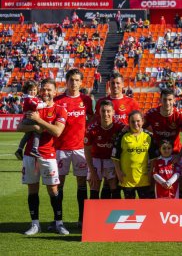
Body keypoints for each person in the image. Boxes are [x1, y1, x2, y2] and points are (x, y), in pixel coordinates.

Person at [17, 78, 68, 235]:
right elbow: (20, 127)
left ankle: (59, 223)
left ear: (54, 92)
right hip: (29, 154)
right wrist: (34, 126)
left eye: (49, 90)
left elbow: (57, 131)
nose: (46, 92)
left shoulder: (60, 110)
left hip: (48, 154)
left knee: (53, 190)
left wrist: (38, 121)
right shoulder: (34, 106)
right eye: (43, 89)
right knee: (33, 190)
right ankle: (35, 224)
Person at [53, 68, 93, 229]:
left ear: (81, 82)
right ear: (67, 81)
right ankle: (58, 220)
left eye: (77, 80)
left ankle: (82, 219)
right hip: (61, 148)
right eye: (71, 80)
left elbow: (92, 119)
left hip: (80, 149)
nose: (74, 83)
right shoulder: (58, 100)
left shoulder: (86, 100)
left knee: (81, 183)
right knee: (58, 184)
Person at [95, 73, 140, 198]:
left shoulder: (131, 102)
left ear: (123, 84)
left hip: (126, 150)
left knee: (124, 181)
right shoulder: (101, 102)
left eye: (118, 83)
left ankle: (123, 213)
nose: (115, 86)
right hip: (106, 148)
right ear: (109, 84)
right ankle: (106, 214)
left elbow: (139, 123)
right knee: (108, 182)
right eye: (112, 83)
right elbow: (96, 122)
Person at [143, 88, 182, 198]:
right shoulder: (151, 113)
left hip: (175, 153)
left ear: (174, 100)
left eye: (170, 99)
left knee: (181, 181)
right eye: (164, 99)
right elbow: (139, 128)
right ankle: (152, 208)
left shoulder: (181, 116)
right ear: (160, 100)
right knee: (152, 180)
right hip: (156, 153)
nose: (167, 103)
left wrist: (179, 156)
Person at [84, 100, 125, 199]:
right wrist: (92, 171)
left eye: (108, 111)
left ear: (113, 112)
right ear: (99, 112)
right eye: (103, 111)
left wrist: (119, 168)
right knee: (94, 186)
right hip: (96, 159)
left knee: (114, 187)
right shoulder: (92, 129)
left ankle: (116, 213)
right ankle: (94, 214)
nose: (106, 114)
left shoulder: (120, 127)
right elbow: (87, 151)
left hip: (112, 160)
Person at [112, 110, 157, 199]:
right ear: (128, 122)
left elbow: (153, 158)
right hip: (127, 179)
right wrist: (118, 172)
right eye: (132, 121)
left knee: (145, 208)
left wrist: (150, 173)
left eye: (138, 121)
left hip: (144, 179)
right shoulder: (122, 136)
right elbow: (115, 157)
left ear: (142, 121)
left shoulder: (149, 136)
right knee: (129, 209)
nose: (135, 124)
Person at [15, 80, 48, 160]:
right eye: (31, 90)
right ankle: (34, 149)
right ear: (27, 90)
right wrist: (45, 104)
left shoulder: (32, 98)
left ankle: (19, 149)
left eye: (34, 90)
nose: (33, 91)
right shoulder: (29, 99)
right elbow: (36, 106)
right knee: (37, 131)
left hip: (28, 118)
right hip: (29, 118)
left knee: (27, 135)